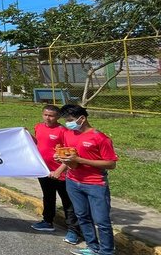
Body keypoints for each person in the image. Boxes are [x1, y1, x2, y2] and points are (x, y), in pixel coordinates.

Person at [56, 105, 118, 255]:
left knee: (101, 221)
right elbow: (70, 157)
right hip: (73, 182)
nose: (68, 124)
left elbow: (111, 164)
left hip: (95, 184)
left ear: (82, 118)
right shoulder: (69, 134)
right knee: (82, 216)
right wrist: (60, 158)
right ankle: (92, 247)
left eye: (70, 120)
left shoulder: (100, 138)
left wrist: (80, 159)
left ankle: (107, 251)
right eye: (66, 120)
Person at [30, 105, 82, 244]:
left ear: (58, 117)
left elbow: (71, 153)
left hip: (62, 173)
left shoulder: (63, 131)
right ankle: (47, 221)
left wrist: (60, 170)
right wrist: (28, 136)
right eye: (45, 114)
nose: (48, 118)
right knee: (48, 197)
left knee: (68, 202)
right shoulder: (39, 127)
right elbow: (38, 142)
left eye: (51, 115)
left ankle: (74, 231)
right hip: (44, 171)